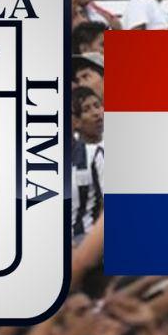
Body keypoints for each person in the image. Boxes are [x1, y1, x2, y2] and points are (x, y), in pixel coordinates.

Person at [70, 87, 104, 244]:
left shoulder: (95, 154)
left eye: (97, 106)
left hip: (85, 241)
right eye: (86, 109)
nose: (96, 113)